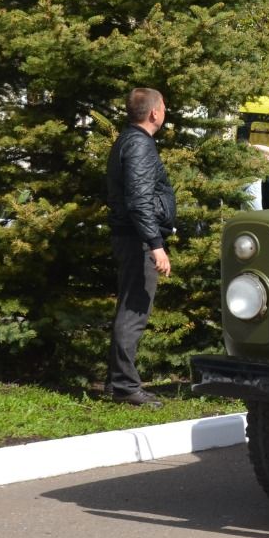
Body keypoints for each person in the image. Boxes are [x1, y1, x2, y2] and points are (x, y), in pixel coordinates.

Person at [104, 87, 176, 407]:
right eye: (163, 107)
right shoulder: (139, 146)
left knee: (128, 307)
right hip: (137, 240)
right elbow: (139, 200)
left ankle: (115, 381)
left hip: (132, 236)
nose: (165, 112)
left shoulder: (129, 141)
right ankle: (124, 386)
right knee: (134, 310)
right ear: (154, 113)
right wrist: (155, 244)